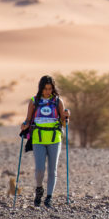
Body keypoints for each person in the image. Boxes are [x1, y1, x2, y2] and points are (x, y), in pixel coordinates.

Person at [20, 75, 70, 208]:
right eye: (45, 88)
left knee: (52, 170)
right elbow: (28, 120)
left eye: (50, 88)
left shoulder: (58, 101)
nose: (47, 91)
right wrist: (24, 125)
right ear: (41, 89)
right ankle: (39, 189)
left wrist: (65, 118)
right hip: (38, 138)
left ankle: (49, 197)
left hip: (54, 139)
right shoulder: (34, 101)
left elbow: (63, 124)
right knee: (40, 169)